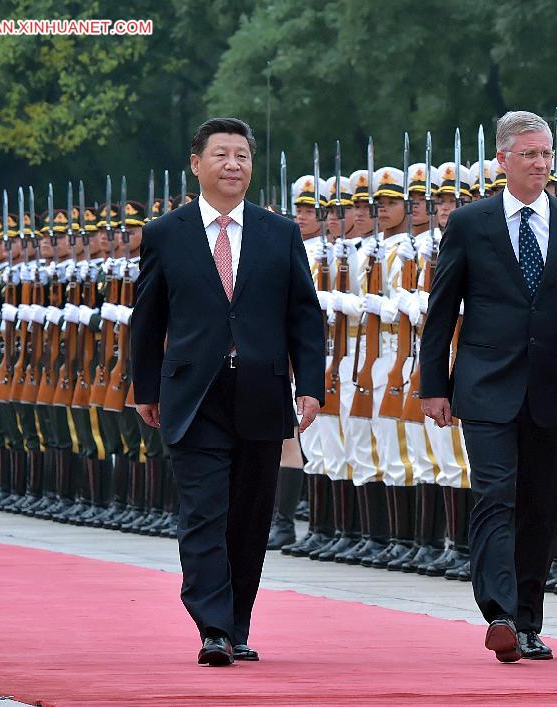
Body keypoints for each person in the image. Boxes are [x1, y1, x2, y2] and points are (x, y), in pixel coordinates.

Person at [419, 111, 557, 662]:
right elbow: (442, 311)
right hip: (485, 385)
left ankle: (529, 621)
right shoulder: (470, 223)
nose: (540, 164)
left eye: (546, 153)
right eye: (528, 154)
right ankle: (500, 613)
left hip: (553, 387)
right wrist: (433, 384)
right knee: (494, 496)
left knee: (540, 507)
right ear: (502, 160)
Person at [130, 117, 325, 666]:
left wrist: (310, 384)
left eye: (242, 155)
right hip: (194, 392)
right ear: (196, 163)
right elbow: (148, 318)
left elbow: (304, 316)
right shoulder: (166, 233)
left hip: (261, 391)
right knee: (203, 511)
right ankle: (212, 626)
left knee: (249, 514)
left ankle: (238, 621)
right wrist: (145, 386)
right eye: (221, 155)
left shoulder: (278, 232)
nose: (233, 164)